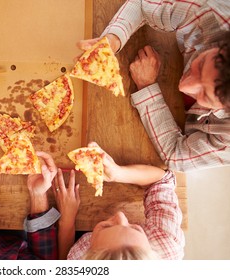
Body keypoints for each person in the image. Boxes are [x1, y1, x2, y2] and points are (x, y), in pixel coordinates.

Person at [78, 0, 230, 172]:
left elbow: (176, 156)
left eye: (205, 95)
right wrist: (112, 41)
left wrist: (147, 87)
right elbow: (142, 5)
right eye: (201, 64)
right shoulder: (213, 12)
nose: (184, 86)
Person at [54, 142, 185, 260]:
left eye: (106, 227)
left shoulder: (77, 259)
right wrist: (118, 173)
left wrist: (67, 221)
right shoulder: (167, 243)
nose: (120, 215)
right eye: (135, 228)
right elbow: (162, 181)